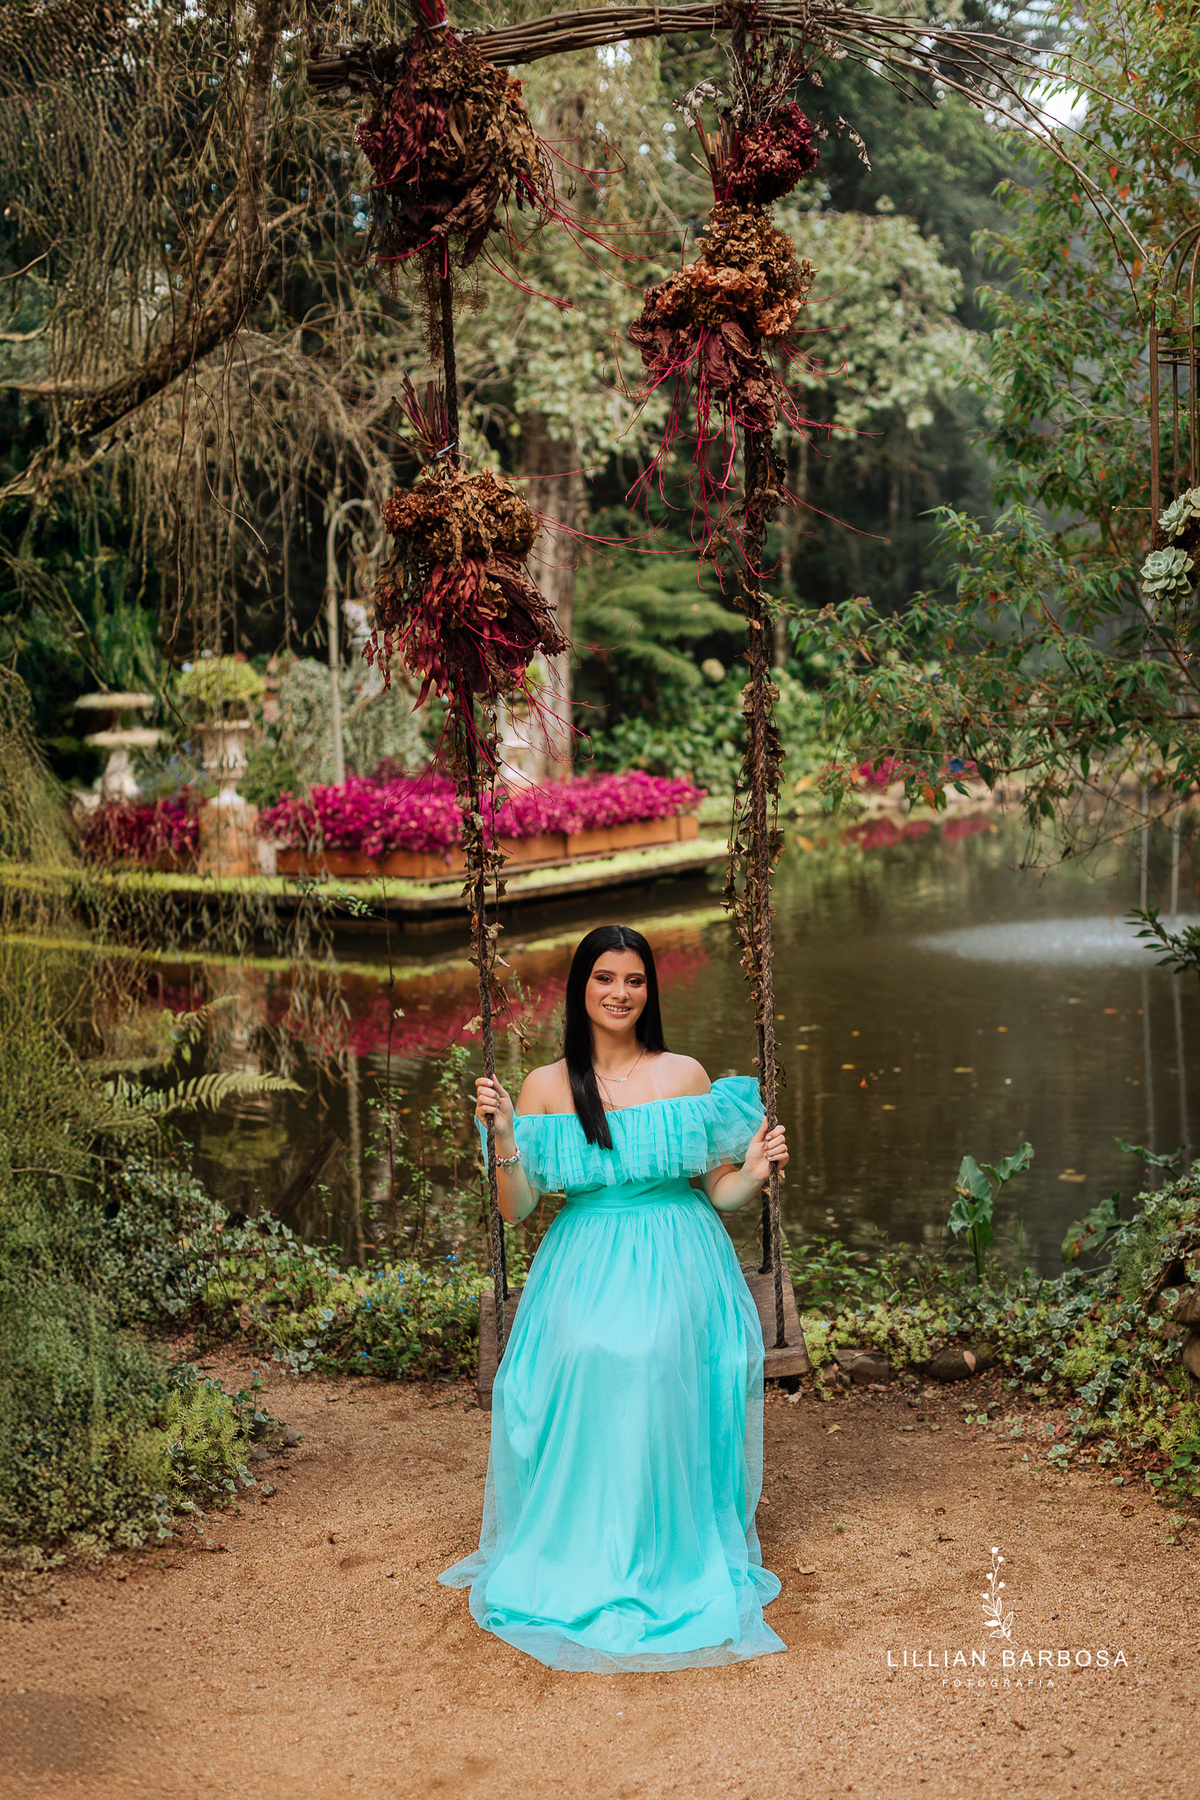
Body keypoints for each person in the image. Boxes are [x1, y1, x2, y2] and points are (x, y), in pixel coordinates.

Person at [438, 923, 790, 1672]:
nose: (620, 993)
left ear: (649, 989)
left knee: (652, 1352)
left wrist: (755, 1167)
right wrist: (502, 1135)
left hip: (679, 1250)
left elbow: (719, 1191)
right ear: (581, 988)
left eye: (634, 980)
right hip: (587, 1253)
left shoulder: (686, 1075)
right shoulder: (542, 1087)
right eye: (605, 979)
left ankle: (663, 1546)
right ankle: (584, 1544)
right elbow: (516, 1207)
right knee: (589, 1354)